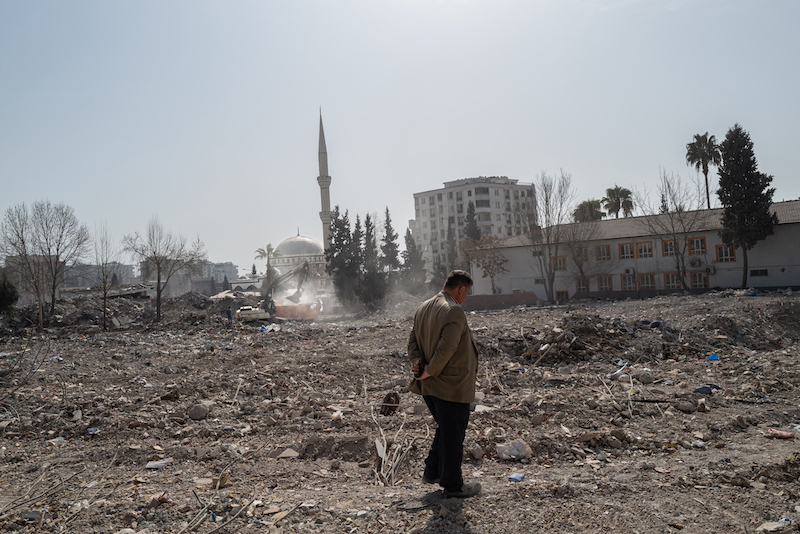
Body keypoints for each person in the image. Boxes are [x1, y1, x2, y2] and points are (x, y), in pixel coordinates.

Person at [407, 270, 481, 498]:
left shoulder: (423, 308)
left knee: (446, 429)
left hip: (430, 387)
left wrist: (418, 364)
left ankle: (432, 471)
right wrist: (429, 371)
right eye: (466, 292)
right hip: (451, 386)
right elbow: (446, 348)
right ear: (461, 289)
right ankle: (453, 484)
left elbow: (412, 343)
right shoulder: (454, 310)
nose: (465, 297)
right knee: (453, 435)